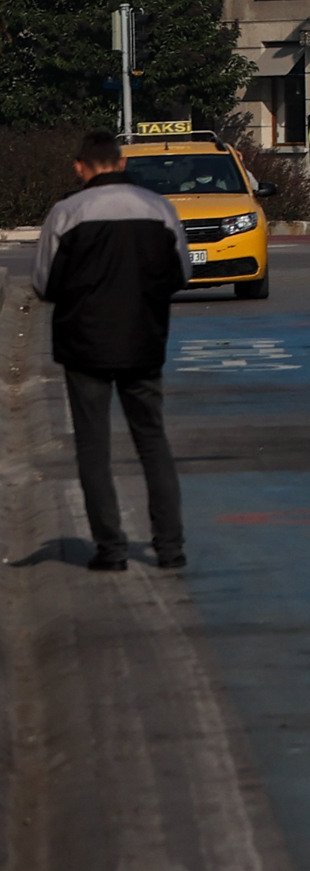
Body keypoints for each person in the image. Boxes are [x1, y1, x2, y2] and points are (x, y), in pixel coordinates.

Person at [26, 131, 190, 572]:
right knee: (152, 441)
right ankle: (170, 548)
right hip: (144, 341)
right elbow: (181, 273)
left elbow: (43, 283)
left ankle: (111, 550)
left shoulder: (66, 213)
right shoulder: (159, 208)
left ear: (80, 167)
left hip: (84, 346)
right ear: (120, 163)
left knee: (93, 447)